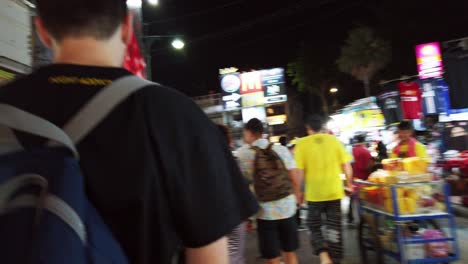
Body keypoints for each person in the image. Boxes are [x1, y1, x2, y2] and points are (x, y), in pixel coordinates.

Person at [0, 1, 259, 263]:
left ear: (41, 29)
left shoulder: (5, 108)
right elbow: (209, 257)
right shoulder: (176, 116)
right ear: (127, 28)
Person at [237, 118, 300, 264]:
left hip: (264, 212)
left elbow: (242, 184)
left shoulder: (242, 154)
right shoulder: (281, 150)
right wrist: (297, 198)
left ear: (248, 132)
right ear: (262, 132)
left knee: (272, 258)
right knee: (289, 252)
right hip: (287, 208)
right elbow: (294, 177)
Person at [294, 115, 353, 264]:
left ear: (308, 129)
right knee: (334, 228)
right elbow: (346, 165)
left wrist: (298, 193)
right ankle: (336, 259)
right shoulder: (334, 141)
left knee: (314, 226)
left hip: (314, 195)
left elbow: (299, 172)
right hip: (334, 192)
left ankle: (324, 255)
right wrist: (349, 184)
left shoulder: (302, 144)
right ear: (322, 127)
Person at [217, 124, 247, 264]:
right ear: (228, 141)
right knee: (235, 255)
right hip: (236, 215)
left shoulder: (200, 163)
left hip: (214, 217)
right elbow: (242, 188)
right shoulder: (234, 161)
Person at [348, 134, 373, 223]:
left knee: (352, 198)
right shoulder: (366, 151)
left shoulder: (351, 150)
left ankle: (350, 217)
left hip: (353, 178)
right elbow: (368, 166)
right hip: (363, 179)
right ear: (364, 141)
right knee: (363, 200)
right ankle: (363, 219)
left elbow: (348, 164)